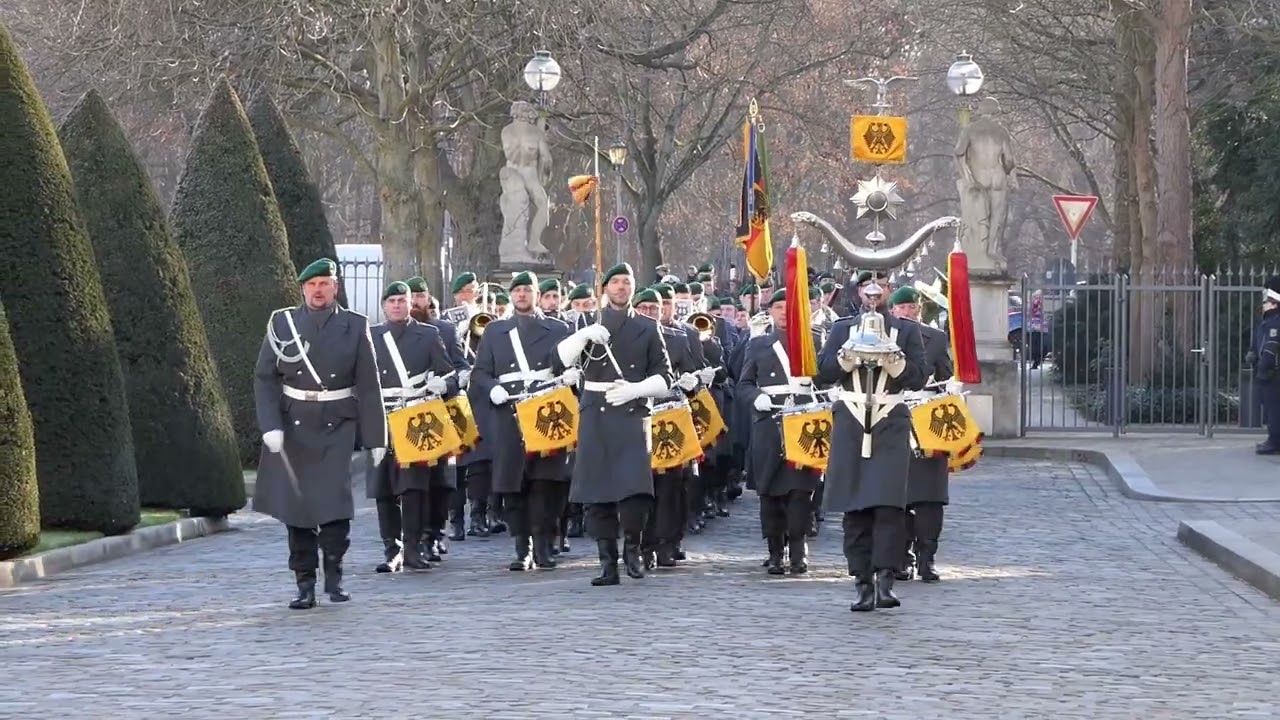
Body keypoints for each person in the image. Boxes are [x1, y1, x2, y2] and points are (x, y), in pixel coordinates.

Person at [253, 258, 385, 610]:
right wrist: (270, 425)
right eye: (311, 285)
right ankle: (305, 583)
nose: (318, 290)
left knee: (334, 506)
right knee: (297, 509)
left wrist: (377, 438)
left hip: (336, 424)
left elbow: (369, 386)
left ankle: (334, 574)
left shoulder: (355, 325)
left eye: (324, 283)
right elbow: (265, 378)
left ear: (335, 287)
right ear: (302, 289)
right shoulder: (283, 323)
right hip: (294, 425)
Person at [556, 263, 672, 586]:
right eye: (616, 281)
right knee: (598, 493)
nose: (621, 287)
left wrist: (636, 389)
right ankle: (607, 562)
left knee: (635, 490)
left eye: (627, 282)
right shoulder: (587, 322)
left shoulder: (648, 327)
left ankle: (632, 548)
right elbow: (560, 359)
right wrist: (583, 336)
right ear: (605, 287)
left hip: (632, 411)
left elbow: (665, 378)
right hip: (596, 412)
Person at [817, 281, 928, 612]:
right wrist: (847, 357)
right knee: (855, 508)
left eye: (878, 290)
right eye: (867, 289)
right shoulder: (842, 329)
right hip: (851, 420)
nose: (873, 296)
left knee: (889, 507)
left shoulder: (906, 331)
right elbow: (822, 373)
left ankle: (885, 580)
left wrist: (895, 362)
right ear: (859, 294)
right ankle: (862, 582)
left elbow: (919, 377)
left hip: (889, 421)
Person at [468, 271, 574, 570]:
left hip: (546, 411)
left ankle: (543, 544)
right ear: (511, 295)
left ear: (537, 295)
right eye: (517, 291)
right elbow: (480, 372)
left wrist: (571, 376)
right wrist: (492, 388)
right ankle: (521, 546)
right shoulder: (495, 331)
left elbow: (569, 364)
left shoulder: (558, 329)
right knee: (513, 483)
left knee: (547, 482)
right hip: (509, 412)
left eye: (528, 290)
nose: (522, 295)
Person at [366, 281, 458, 572]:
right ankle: (391, 549)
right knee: (384, 488)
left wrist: (443, 384)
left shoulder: (428, 334)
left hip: (416, 416)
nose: (396, 305)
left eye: (401, 300)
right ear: (384, 306)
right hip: (382, 417)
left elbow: (450, 373)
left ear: (410, 304)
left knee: (414, 487)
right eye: (391, 301)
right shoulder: (370, 336)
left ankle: (413, 548)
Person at [737, 289, 826, 575]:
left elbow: (826, 379)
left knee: (801, 492)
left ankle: (798, 550)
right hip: (769, 422)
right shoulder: (758, 344)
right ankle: (775, 551)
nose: (784, 313)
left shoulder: (814, 339)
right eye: (778, 307)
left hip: (804, 423)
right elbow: (744, 384)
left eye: (790, 307)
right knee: (770, 493)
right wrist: (756, 398)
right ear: (770, 312)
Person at [887, 287, 953, 583]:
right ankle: (901, 557)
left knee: (930, 496)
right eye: (902, 307)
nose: (908, 312)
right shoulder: (885, 337)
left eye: (912, 307)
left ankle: (927, 557)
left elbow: (945, 375)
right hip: (893, 418)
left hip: (927, 420)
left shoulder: (935, 338)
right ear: (892, 310)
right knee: (896, 495)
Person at [405, 276, 468, 559]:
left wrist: (452, 382)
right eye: (412, 296)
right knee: (412, 481)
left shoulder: (445, 329)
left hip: (440, 411)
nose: (415, 302)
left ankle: (435, 532)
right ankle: (413, 537)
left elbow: (460, 367)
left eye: (420, 296)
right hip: (406, 414)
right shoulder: (391, 334)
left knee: (441, 480)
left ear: (428, 299)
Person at [1251, 276, 1280, 455]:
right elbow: (1258, 342)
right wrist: (1252, 354)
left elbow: (1271, 346)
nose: (1263, 304)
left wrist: (1264, 366)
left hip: (1273, 373)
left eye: (1266, 301)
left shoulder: (1275, 322)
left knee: (1274, 408)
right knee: (1271, 408)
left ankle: (1275, 442)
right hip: (1268, 372)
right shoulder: (1267, 321)